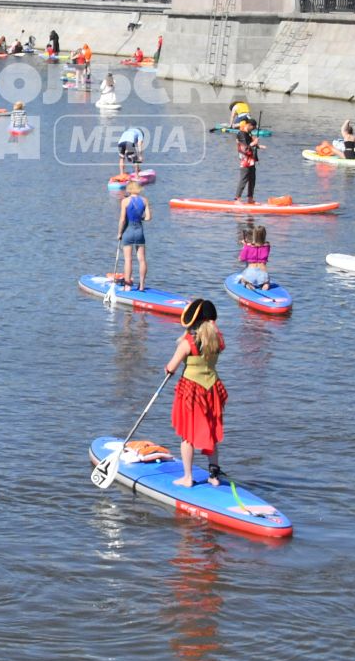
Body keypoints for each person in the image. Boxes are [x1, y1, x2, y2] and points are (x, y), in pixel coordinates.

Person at [165, 299, 228, 487]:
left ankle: (187, 477)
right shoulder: (218, 340)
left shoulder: (188, 343)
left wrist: (168, 370)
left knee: (187, 435)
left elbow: (171, 367)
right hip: (213, 389)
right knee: (211, 432)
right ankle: (214, 477)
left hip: (192, 391)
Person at [116, 180, 150, 290]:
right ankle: (142, 285)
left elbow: (122, 220)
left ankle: (127, 285)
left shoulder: (125, 201)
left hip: (128, 231)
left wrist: (120, 233)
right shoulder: (144, 200)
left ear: (129, 189)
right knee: (142, 259)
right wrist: (141, 218)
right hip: (139, 231)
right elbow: (148, 217)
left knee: (128, 260)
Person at [233, 119, 259, 203]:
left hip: (251, 160)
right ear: (249, 125)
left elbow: (251, 145)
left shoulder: (248, 134)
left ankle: (250, 198)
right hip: (245, 160)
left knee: (252, 179)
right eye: (253, 128)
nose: (253, 129)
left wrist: (258, 145)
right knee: (244, 179)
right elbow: (245, 148)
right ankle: (237, 198)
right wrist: (254, 142)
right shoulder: (241, 134)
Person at [238, 223, 271, 287]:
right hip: (263, 273)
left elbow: (241, 259)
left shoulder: (248, 246)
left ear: (254, 235)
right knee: (266, 281)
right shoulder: (268, 246)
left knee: (243, 279)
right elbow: (260, 247)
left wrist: (244, 246)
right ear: (264, 235)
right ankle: (265, 285)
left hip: (251, 273)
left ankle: (247, 283)